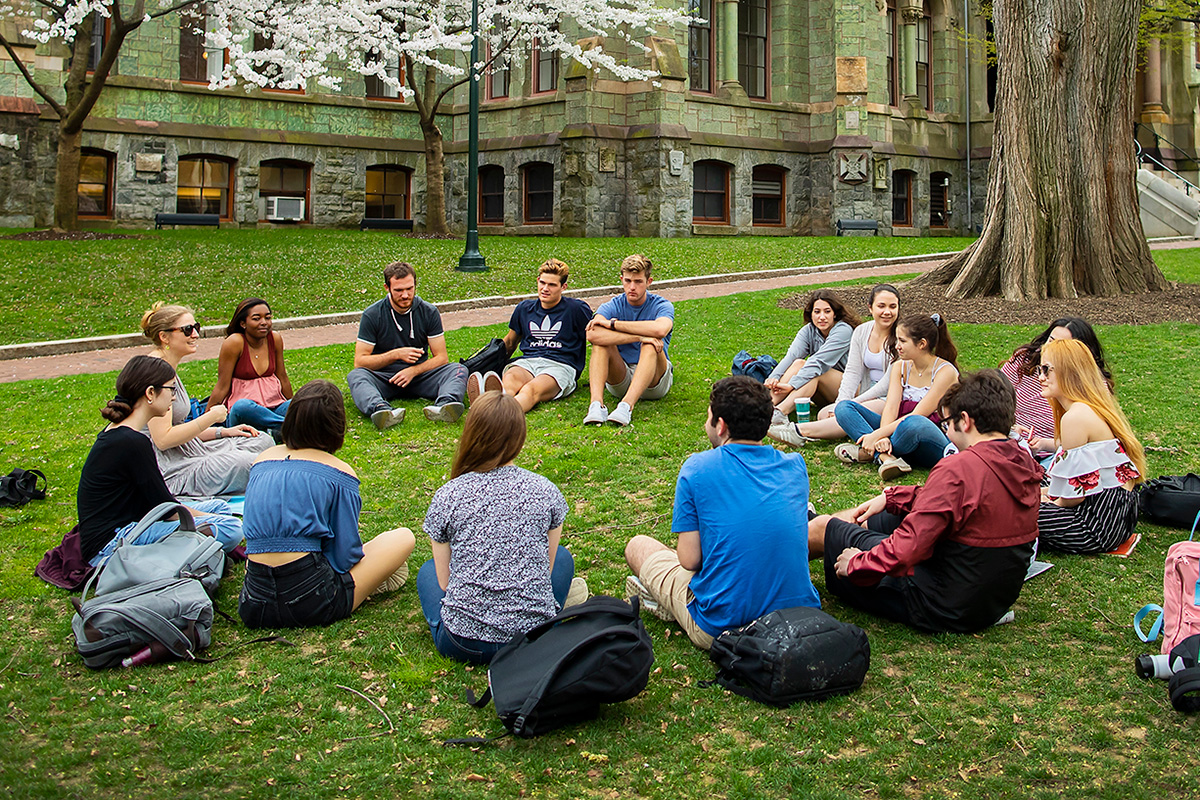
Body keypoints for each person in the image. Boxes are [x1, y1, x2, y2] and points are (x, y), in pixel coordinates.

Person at [809, 370, 1041, 633]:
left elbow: (909, 548)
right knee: (872, 516)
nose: (946, 430)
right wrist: (891, 497)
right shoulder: (1022, 462)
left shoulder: (960, 467)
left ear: (964, 421)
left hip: (938, 603)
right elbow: (963, 503)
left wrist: (858, 564)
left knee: (824, 528)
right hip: (988, 602)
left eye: (946, 423)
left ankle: (769, 566)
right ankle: (809, 529)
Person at [623, 376, 821, 650]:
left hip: (723, 625)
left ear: (721, 425)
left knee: (639, 546)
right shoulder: (794, 466)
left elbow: (690, 560)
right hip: (798, 616)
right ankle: (668, 599)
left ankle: (666, 599)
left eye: (708, 416)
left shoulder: (697, 468)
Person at [417, 391, 586, 664]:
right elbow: (546, 566)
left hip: (464, 643)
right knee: (563, 558)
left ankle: (450, 623)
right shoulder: (546, 491)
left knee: (428, 571)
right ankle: (552, 610)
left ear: (471, 433)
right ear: (519, 438)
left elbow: (445, 582)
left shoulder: (448, 495)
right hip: (533, 639)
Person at [238, 380, 416, 628]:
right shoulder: (339, 472)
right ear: (336, 426)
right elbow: (345, 558)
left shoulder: (262, 461)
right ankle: (370, 583)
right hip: (313, 600)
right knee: (404, 537)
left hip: (254, 603)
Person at [77, 355, 243, 566]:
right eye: (171, 390)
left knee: (220, 507)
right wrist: (208, 520)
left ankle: (201, 547)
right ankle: (199, 550)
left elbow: (157, 502)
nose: (174, 397)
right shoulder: (132, 442)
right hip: (113, 545)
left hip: (132, 521)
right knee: (231, 528)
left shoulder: (120, 433)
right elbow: (168, 509)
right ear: (150, 393)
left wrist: (207, 517)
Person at [141, 302, 273, 497]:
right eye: (187, 330)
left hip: (188, 449)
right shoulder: (156, 373)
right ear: (164, 336)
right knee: (252, 465)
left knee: (262, 441)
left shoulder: (167, 368)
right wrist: (211, 417)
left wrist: (224, 431)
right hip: (171, 468)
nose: (195, 335)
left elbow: (179, 431)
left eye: (196, 327)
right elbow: (163, 440)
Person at [1036, 338, 1146, 554]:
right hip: (1116, 517)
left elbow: (1074, 496)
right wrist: (1042, 493)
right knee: (1027, 485)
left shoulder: (1075, 417)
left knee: (1011, 510)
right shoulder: (1087, 409)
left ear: (1069, 372)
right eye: (1040, 369)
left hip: (1095, 525)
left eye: (1047, 370)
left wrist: (1047, 502)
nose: (1040, 377)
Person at [833, 313, 960, 480]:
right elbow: (891, 406)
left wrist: (876, 435)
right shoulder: (899, 367)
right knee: (843, 408)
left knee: (914, 423)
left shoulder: (945, 371)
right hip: (898, 431)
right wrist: (882, 436)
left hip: (929, 435)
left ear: (922, 344)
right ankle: (886, 458)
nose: (897, 346)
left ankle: (869, 453)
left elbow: (919, 415)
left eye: (903, 341)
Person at [771, 284, 900, 446]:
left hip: (888, 397)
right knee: (823, 415)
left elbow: (888, 384)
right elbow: (852, 373)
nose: (887, 311)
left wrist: (853, 403)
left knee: (840, 406)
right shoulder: (862, 331)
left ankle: (797, 432)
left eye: (892, 307)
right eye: (881, 306)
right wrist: (841, 403)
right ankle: (767, 408)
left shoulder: (901, 335)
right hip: (863, 392)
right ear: (870, 308)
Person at [346, 261, 468, 430]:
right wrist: (395, 355)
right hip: (385, 378)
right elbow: (360, 362)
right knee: (357, 376)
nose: (405, 295)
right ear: (387, 287)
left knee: (457, 369)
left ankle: (446, 406)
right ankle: (381, 410)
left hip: (420, 376)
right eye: (399, 290)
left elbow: (441, 357)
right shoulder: (372, 315)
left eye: (409, 289)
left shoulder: (428, 312)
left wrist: (413, 371)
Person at [482, 258, 593, 414]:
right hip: (527, 363)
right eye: (542, 283)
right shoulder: (524, 309)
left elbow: (596, 338)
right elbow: (510, 342)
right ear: (537, 281)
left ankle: (498, 415)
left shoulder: (576, 309)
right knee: (510, 381)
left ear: (563, 287)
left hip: (560, 366)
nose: (545, 288)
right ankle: (493, 404)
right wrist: (488, 362)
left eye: (552, 285)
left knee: (530, 390)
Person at [582, 254, 675, 427]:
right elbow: (592, 335)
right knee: (601, 344)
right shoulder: (613, 305)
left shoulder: (662, 305)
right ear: (621, 280)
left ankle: (626, 407)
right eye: (628, 281)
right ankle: (596, 405)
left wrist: (613, 324)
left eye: (638, 281)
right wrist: (639, 336)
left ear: (649, 282)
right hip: (621, 376)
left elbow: (660, 329)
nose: (632, 287)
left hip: (655, 382)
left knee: (651, 343)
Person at [1000, 317, 1112, 457]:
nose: (1041, 378)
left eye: (1060, 346)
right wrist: (1009, 431)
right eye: (1051, 341)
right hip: (1016, 445)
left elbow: (1069, 466)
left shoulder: (1076, 414)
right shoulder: (1024, 361)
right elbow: (993, 395)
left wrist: (1044, 444)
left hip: (1054, 455)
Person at [763, 289, 861, 419]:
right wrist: (773, 378)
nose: (822, 317)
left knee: (814, 371)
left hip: (852, 391)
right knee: (798, 363)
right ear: (811, 313)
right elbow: (791, 357)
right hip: (824, 392)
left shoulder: (844, 331)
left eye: (827, 312)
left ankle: (779, 413)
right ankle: (765, 407)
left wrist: (792, 385)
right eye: (817, 312)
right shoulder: (809, 330)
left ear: (835, 314)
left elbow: (819, 362)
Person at [207, 297, 293, 435]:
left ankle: (275, 429)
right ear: (243, 323)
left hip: (274, 407)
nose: (264, 322)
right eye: (256, 318)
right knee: (242, 406)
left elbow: (282, 377)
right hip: (246, 414)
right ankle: (290, 426)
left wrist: (293, 405)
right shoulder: (235, 342)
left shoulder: (274, 339)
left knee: (302, 402)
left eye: (268, 317)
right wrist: (206, 423)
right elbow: (222, 386)